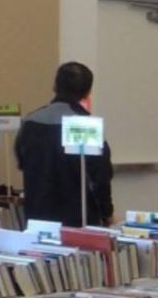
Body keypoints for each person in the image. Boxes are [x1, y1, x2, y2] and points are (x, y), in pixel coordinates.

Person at [15, 61, 114, 228]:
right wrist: (107, 212)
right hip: (80, 222)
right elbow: (100, 176)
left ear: (54, 86)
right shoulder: (88, 127)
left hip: (37, 220)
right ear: (88, 92)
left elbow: (22, 162)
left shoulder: (30, 122)